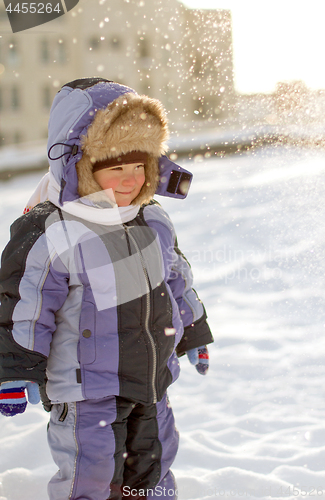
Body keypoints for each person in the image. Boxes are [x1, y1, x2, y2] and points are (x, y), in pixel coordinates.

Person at [0, 78, 213, 500]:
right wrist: (14, 369)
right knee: (92, 474)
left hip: (151, 381)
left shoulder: (151, 220)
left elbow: (176, 280)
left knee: (153, 465)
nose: (131, 179)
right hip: (87, 390)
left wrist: (194, 333)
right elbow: (24, 305)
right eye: (116, 168)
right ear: (81, 164)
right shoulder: (54, 229)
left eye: (139, 166)